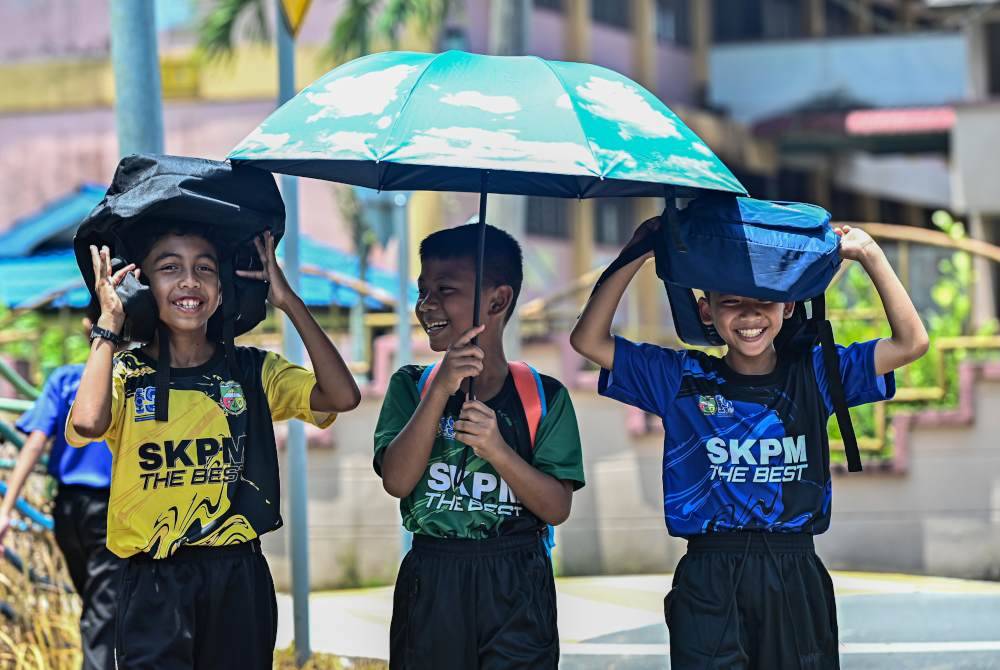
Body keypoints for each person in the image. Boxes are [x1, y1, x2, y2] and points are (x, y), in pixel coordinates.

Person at [570, 216, 928, 669]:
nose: (750, 316)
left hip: (793, 568)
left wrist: (870, 255)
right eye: (732, 302)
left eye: (764, 302)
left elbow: (912, 342)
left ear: (789, 307)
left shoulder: (817, 373)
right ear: (707, 311)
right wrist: (638, 253)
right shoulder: (681, 379)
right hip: (709, 572)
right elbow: (587, 339)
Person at [67, 226, 360, 669]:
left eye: (204, 268)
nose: (189, 281)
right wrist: (110, 321)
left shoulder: (253, 371)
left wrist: (289, 303)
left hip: (237, 574)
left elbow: (342, 397)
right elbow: (88, 422)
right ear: (141, 284)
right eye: (170, 268)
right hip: (153, 578)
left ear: (222, 290)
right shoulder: (125, 374)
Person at [374, 223, 585, 669]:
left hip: (516, 579)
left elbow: (556, 508)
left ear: (498, 300)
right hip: (432, 576)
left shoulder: (544, 398)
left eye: (445, 289)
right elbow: (396, 480)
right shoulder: (411, 387)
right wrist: (439, 392)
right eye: (422, 290)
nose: (426, 305)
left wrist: (498, 451)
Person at [0, 301, 119, 670]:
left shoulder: (66, 380)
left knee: (99, 602)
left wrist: (7, 508)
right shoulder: (130, 379)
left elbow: (35, 443)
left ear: (87, 325)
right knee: (105, 606)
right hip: (112, 511)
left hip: (70, 511)